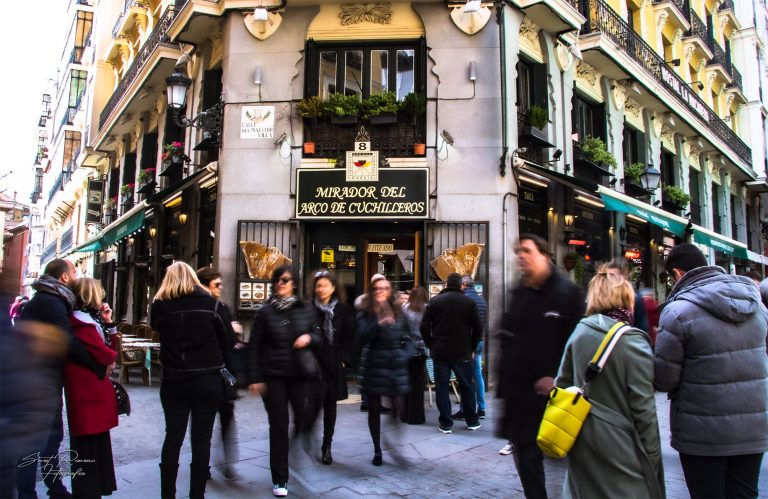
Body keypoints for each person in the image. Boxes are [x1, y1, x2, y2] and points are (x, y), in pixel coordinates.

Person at [655, 243, 768, 499]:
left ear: (677, 273)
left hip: (702, 433)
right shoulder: (757, 306)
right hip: (752, 428)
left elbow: (663, 378)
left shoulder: (677, 312)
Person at [556, 267, 664, 498]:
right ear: (626, 298)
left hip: (582, 440)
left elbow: (561, 384)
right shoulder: (632, 342)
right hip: (620, 447)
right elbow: (644, 409)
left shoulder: (579, 332)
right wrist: (652, 457)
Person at [497, 234, 585, 498]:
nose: (520, 256)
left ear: (544, 255)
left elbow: (578, 343)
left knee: (565, 456)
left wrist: (557, 377)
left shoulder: (568, 293)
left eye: (526, 250)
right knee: (527, 457)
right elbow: (508, 338)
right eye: (517, 251)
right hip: (521, 395)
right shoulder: (518, 292)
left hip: (555, 396)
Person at [16, 258, 106, 499]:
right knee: (37, 441)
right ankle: (27, 493)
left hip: (41, 378)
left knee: (51, 438)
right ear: (64, 277)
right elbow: (67, 340)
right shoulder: (52, 301)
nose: (76, 276)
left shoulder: (50, 299)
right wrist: (95, 364)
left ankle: (54, 488)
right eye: (74, 272)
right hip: (37, 380)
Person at [151, 262, 236, 499]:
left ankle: (167, 494)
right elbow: (228, 341)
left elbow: (155, 327)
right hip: (207, 380)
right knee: (201, 441)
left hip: (173, 381)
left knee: (173, 438)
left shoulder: (159, 307)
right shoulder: (212, 305)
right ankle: (196, 495)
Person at [247, 265, 321, 497]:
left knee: (302, 419)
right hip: (274, 376)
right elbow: (254, 347)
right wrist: (256, 378)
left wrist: (309, 336)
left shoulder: (306, 309)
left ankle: (296, 450)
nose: (281, 283)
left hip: (300, 375)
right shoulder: (265, 311)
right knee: (278, 426)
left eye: (286, 280)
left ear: (294, 284)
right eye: (278, 279)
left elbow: (318, 334)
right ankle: (280, 478)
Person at [65, 278, 119, 498]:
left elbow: (110, 350)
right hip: (87, 395)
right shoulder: (80, 322)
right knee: (88, 451)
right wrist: (109, 359)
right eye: (99, 293)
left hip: (92, 394)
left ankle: (94, 490)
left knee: (95, 449)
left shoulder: (90, 320)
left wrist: (109, 323)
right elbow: (107, 354)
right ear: (90, 295)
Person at [356, 274, 412, 466]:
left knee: (397, 407)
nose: (380, 291)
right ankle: (377, 449)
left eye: (385, 288)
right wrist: (377, 320)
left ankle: (392, 441)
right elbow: (361, 336)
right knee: (374, 410)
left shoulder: (399, 312)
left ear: (390, 292)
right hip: (374, 364)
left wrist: (404, 354)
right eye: (377, 289)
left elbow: (411, 336)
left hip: (395, 364)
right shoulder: (365, 311)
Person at [196, 266, 244, 480]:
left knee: (221, 419)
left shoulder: (219, 307)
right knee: (208, 423)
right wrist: (231, 329)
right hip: (213, 372)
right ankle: (209, 464)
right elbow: (228, 340)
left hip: (219, 373)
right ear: (204, 285)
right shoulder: (215, 307)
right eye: (217, 284)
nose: (220, 288)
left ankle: (219, 464)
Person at [421, 272, 483, 433]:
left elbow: (424, 326)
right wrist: (472, 347)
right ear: (460, 284)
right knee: (467, 386)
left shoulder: (435, 301)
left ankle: (446, 423)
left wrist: (431, 344)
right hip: (462, 351)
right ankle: (472, 420)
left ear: (446, 284)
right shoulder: (468, 302)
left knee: (441, 387)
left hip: (440, 351)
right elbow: (478, 328)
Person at [306, 270, 354, 465]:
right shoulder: (308, 309)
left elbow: (350, 336)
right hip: (315, 363)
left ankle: (327, 445)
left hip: (333, 363)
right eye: (318, 285)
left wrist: (343, 359)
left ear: (334, 287)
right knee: (314, 404)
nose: (321, 289)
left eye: (325, 285)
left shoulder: (343, 309)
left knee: (330, 407)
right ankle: (306, 435)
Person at [452, 275, 488, 420]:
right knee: (478, 375)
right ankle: (482, 408)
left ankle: (464, 409)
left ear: (464, 284)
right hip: (479, 342)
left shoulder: (463, 300)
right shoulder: (482, 301)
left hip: (467, 344)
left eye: (460, 284)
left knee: (465, 377)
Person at [400, 286, 428, 424]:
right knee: (418, 385)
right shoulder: (427, 309)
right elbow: (429, 330)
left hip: (407, 348)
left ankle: (403, 414)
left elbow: (401, 328)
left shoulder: (404, 308)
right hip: (421, 350)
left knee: (406, 382)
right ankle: (416, 416)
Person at [605, 258, 648, 332]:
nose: (610, 281)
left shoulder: (635, 299)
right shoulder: (603, 298)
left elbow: (641, 330)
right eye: (608, 277)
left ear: (625, 277)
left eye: (614, 276)